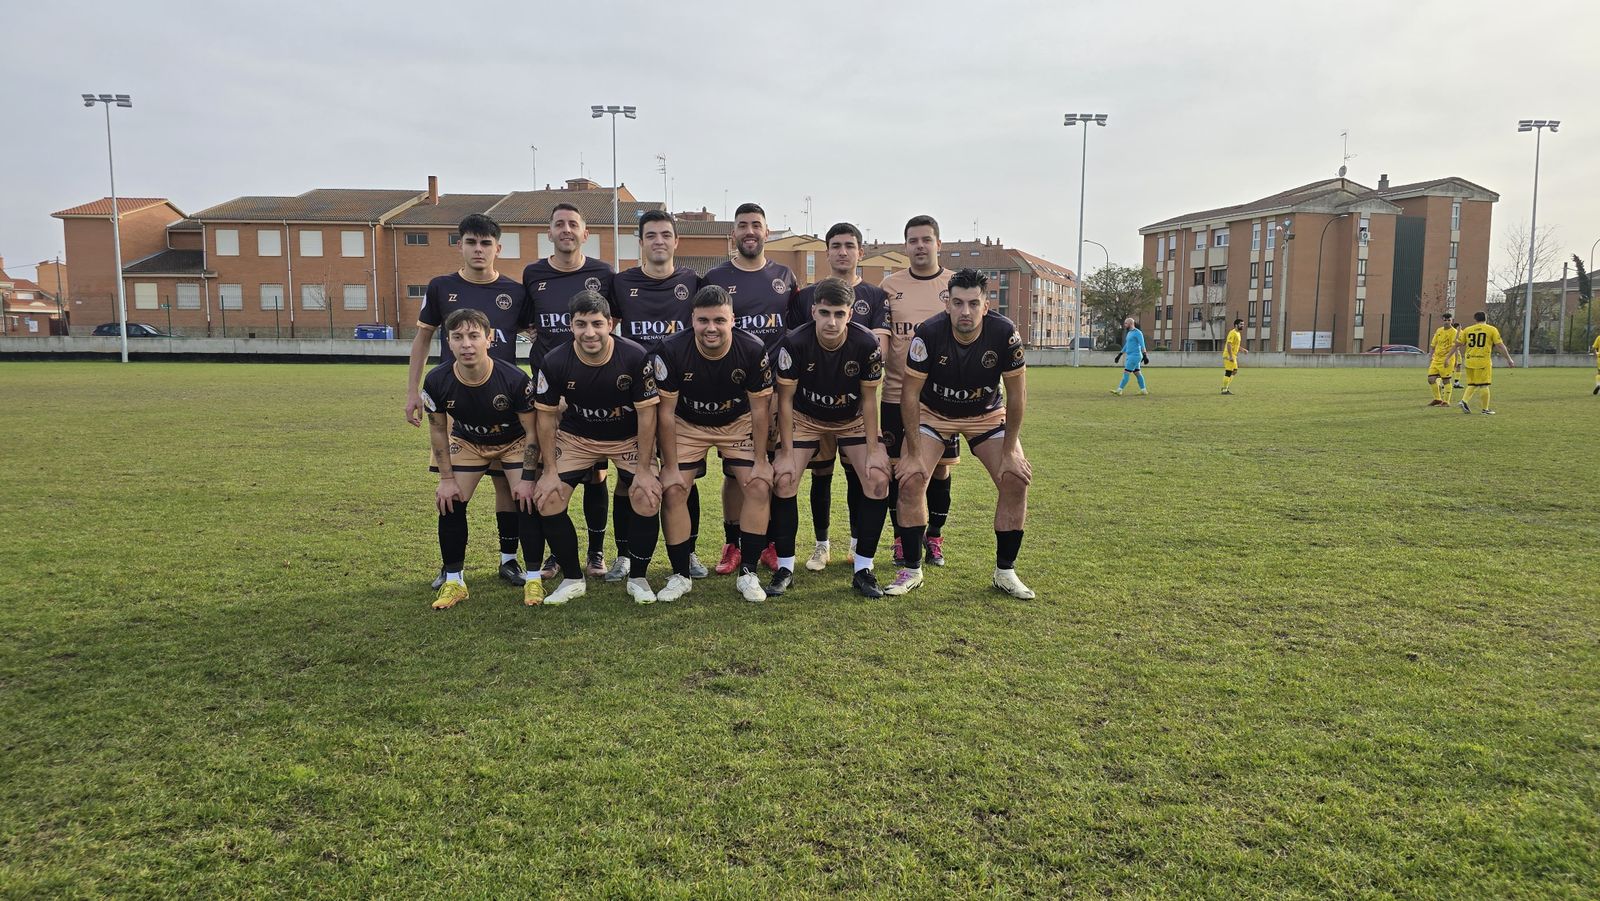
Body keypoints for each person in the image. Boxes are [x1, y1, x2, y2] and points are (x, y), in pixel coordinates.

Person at [404, 213, 533, 591]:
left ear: (498, 248)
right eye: (471, 243)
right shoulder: (441, 286)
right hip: (458, 408)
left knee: (510, 489)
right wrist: (413, 391)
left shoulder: (515, 292)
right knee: (452, 493)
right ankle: (451, 569)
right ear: (460, 245)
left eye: (486, 243)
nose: (479, 250)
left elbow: (536, 338)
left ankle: (509, 560)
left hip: (508, 408)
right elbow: (423, 340)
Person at [889, 269, 1033, 599]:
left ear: (985, 306)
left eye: (973, 303)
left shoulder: (1004, 332)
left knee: (1015, 478)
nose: (965, 311)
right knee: (911, 479)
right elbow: (909, 395)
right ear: (947, 304)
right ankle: (912, 569)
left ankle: (1005, 571)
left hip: (986, 414)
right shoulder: (928, 333)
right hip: (935, 414)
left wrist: (1010, 450)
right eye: (957, 303)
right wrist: (911, 452)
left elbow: (1017, 395)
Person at [530, 291, 663, 605]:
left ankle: (639, 578)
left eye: (596, 324)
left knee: (646, 495)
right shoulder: (555, 360)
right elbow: (546, 419)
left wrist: (644, 470)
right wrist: (548, 472)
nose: (589, 332)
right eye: (581, 324)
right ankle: (574, 579)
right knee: (548, 498)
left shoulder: (634, 355)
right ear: (570, 326)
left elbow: (647, 416)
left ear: (610, 324)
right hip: (578, 439)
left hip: (627, 438)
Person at [769, 278, 893, 598]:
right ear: (813, 311)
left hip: (851, 419)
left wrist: (875, 448)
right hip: (805, 418)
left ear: (850, 314)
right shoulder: (794, 343)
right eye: (825, 312)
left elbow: (869, 400)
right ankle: (785, 567)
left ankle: (863, 568)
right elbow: (784, 400)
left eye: (839, 313)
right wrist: (783, 449)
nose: (832, 321)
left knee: (877, 479)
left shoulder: (866, 344)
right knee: (783, 477)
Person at [653, 285, 776, 603]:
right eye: (703, 320)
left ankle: (748, 573)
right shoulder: (671, 349)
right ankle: (680, 574)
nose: (711, 328)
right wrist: (668, 467)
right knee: (674, 488)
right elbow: (665, 414)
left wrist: (761, 460)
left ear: (732, 319)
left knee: (759, 485)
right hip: (687, 423)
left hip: (736, 423)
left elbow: (760, 409)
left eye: (719, 320)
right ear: (691, 319)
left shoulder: (752, 348)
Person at [700, 203, 799, 575]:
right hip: (731, 392)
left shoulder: (785, 276)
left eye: (756, 225)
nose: (749, 231)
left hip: (773, 391)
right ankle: (733, 543)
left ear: (767, 232)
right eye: (742, 225)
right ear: (734, 234)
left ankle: (770, 543)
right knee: (734, 474)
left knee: (768, 470)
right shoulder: (715, 276)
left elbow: (796, 329)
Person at [610, 209, 710, 580]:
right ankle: (623, 554)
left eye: (665, 235)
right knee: (628, 477)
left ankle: (690, 552)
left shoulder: (692, 282)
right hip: (630, 395)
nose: (659, 241)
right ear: (641, 242)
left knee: (683, 477)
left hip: (677, 398)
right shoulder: (620, 283)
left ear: (675, 241)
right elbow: (604, 325)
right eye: (651, 235)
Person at [419, 308, 540, 610]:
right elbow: (437, 432)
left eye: (474, 336)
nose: (466, 344)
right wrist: (446, 480)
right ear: (449, 342)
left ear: (489, 339)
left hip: (513, 441)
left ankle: (533, 576)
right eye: (458, 337)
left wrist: (527, 480)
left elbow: (532, 433)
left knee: (526, 499)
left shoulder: (514, 379)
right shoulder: (436, 380)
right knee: (450, 502)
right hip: (468, 441)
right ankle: (454, 581)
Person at [788, 222, 891, 571]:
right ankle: (820, 545)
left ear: (861, 251)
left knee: (859, 474)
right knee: (820, 474)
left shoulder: (875, 297)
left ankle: (858, 547)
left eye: (850, 245)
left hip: (852, 411)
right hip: (810, 410)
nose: (842, 251)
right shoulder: (804, 297)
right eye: (835, 245)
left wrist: (875, 444)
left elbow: (877, 358)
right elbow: (800, 350)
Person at [523, 202, 615, 580]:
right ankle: (555, 555)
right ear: (549, 233)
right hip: (550, 395)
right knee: (550, 472)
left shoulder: (602, 272)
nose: (566, 229)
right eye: (558, 223)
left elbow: (611, 322)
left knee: (596, 475)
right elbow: (524, 321)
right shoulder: (533, 274)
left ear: (585, 233)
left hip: (594, 394)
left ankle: (595, 553)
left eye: (573, 224)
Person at [880, 215, 957, 569]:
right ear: (905, 246)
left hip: (941, 399)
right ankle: (901, 538)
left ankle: (935, 537)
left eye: (927, 239)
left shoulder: (955, 285)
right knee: (900, 469)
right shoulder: (889, 285)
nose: (920, 246)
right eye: (913, 240)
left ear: (938, 244)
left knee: (939, 470)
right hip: (896, 394)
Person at [1454, 310, 1515, 415]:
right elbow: (1500, 345)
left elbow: (1458, 343)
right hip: (1482, 360)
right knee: (1484, 385)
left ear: (1475, 319)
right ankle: (1485, 409)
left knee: (1472, 383)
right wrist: (1509, 358)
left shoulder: (1468, 330)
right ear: (1486, 318)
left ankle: (1464, 401)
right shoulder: (1491, 329)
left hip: (1469, 360)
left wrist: (1459, 332)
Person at [1425, 313, 1461, 406]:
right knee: (1431, 379)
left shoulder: (1454, 332)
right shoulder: (1439, 330)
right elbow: (1433, 345)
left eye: (1449, 320)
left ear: (1451, 320)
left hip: (1447, 359)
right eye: (1445, 320)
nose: (1447, 322)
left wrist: (1450, 359)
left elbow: (1455, 347)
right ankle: (1437, 399)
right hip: (1436, 359)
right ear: (1443, 320)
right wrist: (1431, 355)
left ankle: (1446, 401)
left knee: (1446, 380)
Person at [1111, 317, 1149, 395]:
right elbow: (1127, 345)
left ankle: (1119, 390)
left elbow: (1142, 344)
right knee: (1137, 373)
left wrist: (1145, 355)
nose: (1125, 325)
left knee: (1126, 372)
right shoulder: (1129, 333)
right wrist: (1120, 354)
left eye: (1126, 323)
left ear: (1131, 323)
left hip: (1135, 356)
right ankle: (1143, 390)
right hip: (1131, 355)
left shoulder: (1138, 333)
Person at [1222, 317, 1247, 395]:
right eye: (1241, 324)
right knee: (1228, 372)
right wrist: (1230, 356)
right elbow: (1229, 344)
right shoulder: (1232, 333)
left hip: (1234, 355)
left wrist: (1242, 349)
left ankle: (1225, 387)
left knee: (1234, 371)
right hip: (1229, 355)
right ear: (1236, 325)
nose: (1242, 326)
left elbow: (1235, 345)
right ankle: (1224, 390)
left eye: (1243, 324)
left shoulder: (1238, 333)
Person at [1590, 330, 1600, 395]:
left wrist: (1595, 356)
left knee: (1599, 373)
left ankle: (1598, 384)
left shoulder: (1599, 337)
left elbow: (1593, 348)